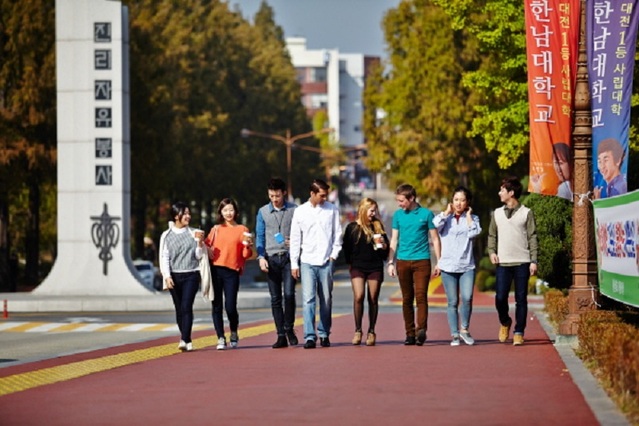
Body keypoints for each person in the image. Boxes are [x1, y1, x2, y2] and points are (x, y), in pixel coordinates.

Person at [290, 179, 342, 349]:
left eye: (326, 195)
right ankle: (310, 336)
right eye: (322, 195)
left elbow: (337, 235)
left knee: (326, 299)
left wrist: (333, 256)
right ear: (312, 194)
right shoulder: (300, 212)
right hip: (307, 262)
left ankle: (324, 333)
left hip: (326, 261)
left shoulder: (332, 210)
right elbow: (295, 239)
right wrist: (294, 263)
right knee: (308, 300)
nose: (325, 198)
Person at [387, 184, 441, 346]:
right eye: (398, 200)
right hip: (402, 261)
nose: (399, 204)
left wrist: (439, 262)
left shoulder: (426, 214)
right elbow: (394, 240)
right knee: (406, 299)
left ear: (411, 198)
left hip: (422, 261)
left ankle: (421, 330)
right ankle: (409, 334)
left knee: (421, 296)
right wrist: (390, 262)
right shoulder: (397, 215)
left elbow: (435, 239)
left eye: (401, 200)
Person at [487, 176, 539, 346]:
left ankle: (519, 331)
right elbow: (492, 235)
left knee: (521, 298)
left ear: (511, 193)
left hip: (522, 261)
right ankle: (505, 321)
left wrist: (534, 260)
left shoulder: (526, 213)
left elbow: (532, 237)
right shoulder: (497, 213)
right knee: (500, 297)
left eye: (502, 190)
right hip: (503, 262)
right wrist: (492, 251)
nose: (499, 192)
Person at [433, 186, 482, 346]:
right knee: (452, 301)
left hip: (467, 266)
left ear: (468, 202)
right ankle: (454, 334)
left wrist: (468, 217)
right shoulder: (445, 219)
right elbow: (434, 225)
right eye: (456, 200)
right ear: (452, 201)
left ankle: (464, 329)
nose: (459, 203)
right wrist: (446, 212)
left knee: (467, 298)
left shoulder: (473, 218)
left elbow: (474, 233)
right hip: (448, 266)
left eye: (462, 200)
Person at [204, 198, 253, 350]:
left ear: (236, 211)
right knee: (216, 305)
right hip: (215, 270)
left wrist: (248, 246)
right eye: (225, 210)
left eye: (231, 210)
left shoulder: (242, 230)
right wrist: (208, 249)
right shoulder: (216, 229)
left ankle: (233, 331)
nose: (228, 213)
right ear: (221, 212)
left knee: (230, 306)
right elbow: (205, 246)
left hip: (232, 271)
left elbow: (246, 255)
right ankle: (220, 337)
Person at [255, 178, 298, 349]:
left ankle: (289, 328)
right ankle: (280, 334)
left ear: (284, 193)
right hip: (271, 258)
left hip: (289, 257)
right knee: (275, 298)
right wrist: (260, 257)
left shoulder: (295, 210)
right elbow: (260, 235)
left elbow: (301, 232)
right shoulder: (263, 212)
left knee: (289, 294)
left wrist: (295, 242)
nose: (274, 199)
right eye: (271, 195)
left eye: (277, 195)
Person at [342, 197, 389, 346]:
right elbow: (346, 249)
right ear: (363, 210)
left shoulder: (378, 227)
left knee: (373, 298)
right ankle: (358, 330)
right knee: (359, 296)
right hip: (357, 266)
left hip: (375, 267)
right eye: (371, 210)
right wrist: (350, 264)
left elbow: (383, 254)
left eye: (375, 210)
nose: (373, 213)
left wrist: (384, 246)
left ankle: (371, 331)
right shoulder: (351, 228)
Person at [158, 202, 205, 352]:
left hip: (191, 274)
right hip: (174, 276)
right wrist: (167, 276)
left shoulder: (194, 233)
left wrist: (199, 244)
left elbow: (198, 256)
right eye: (185, 213)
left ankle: (184, 339)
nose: (188, 216)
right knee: (179, 309)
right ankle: (187, 338)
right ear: (176, 215)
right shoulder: (166, 235)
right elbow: (164, 257)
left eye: (189, 213)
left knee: (186, 306)